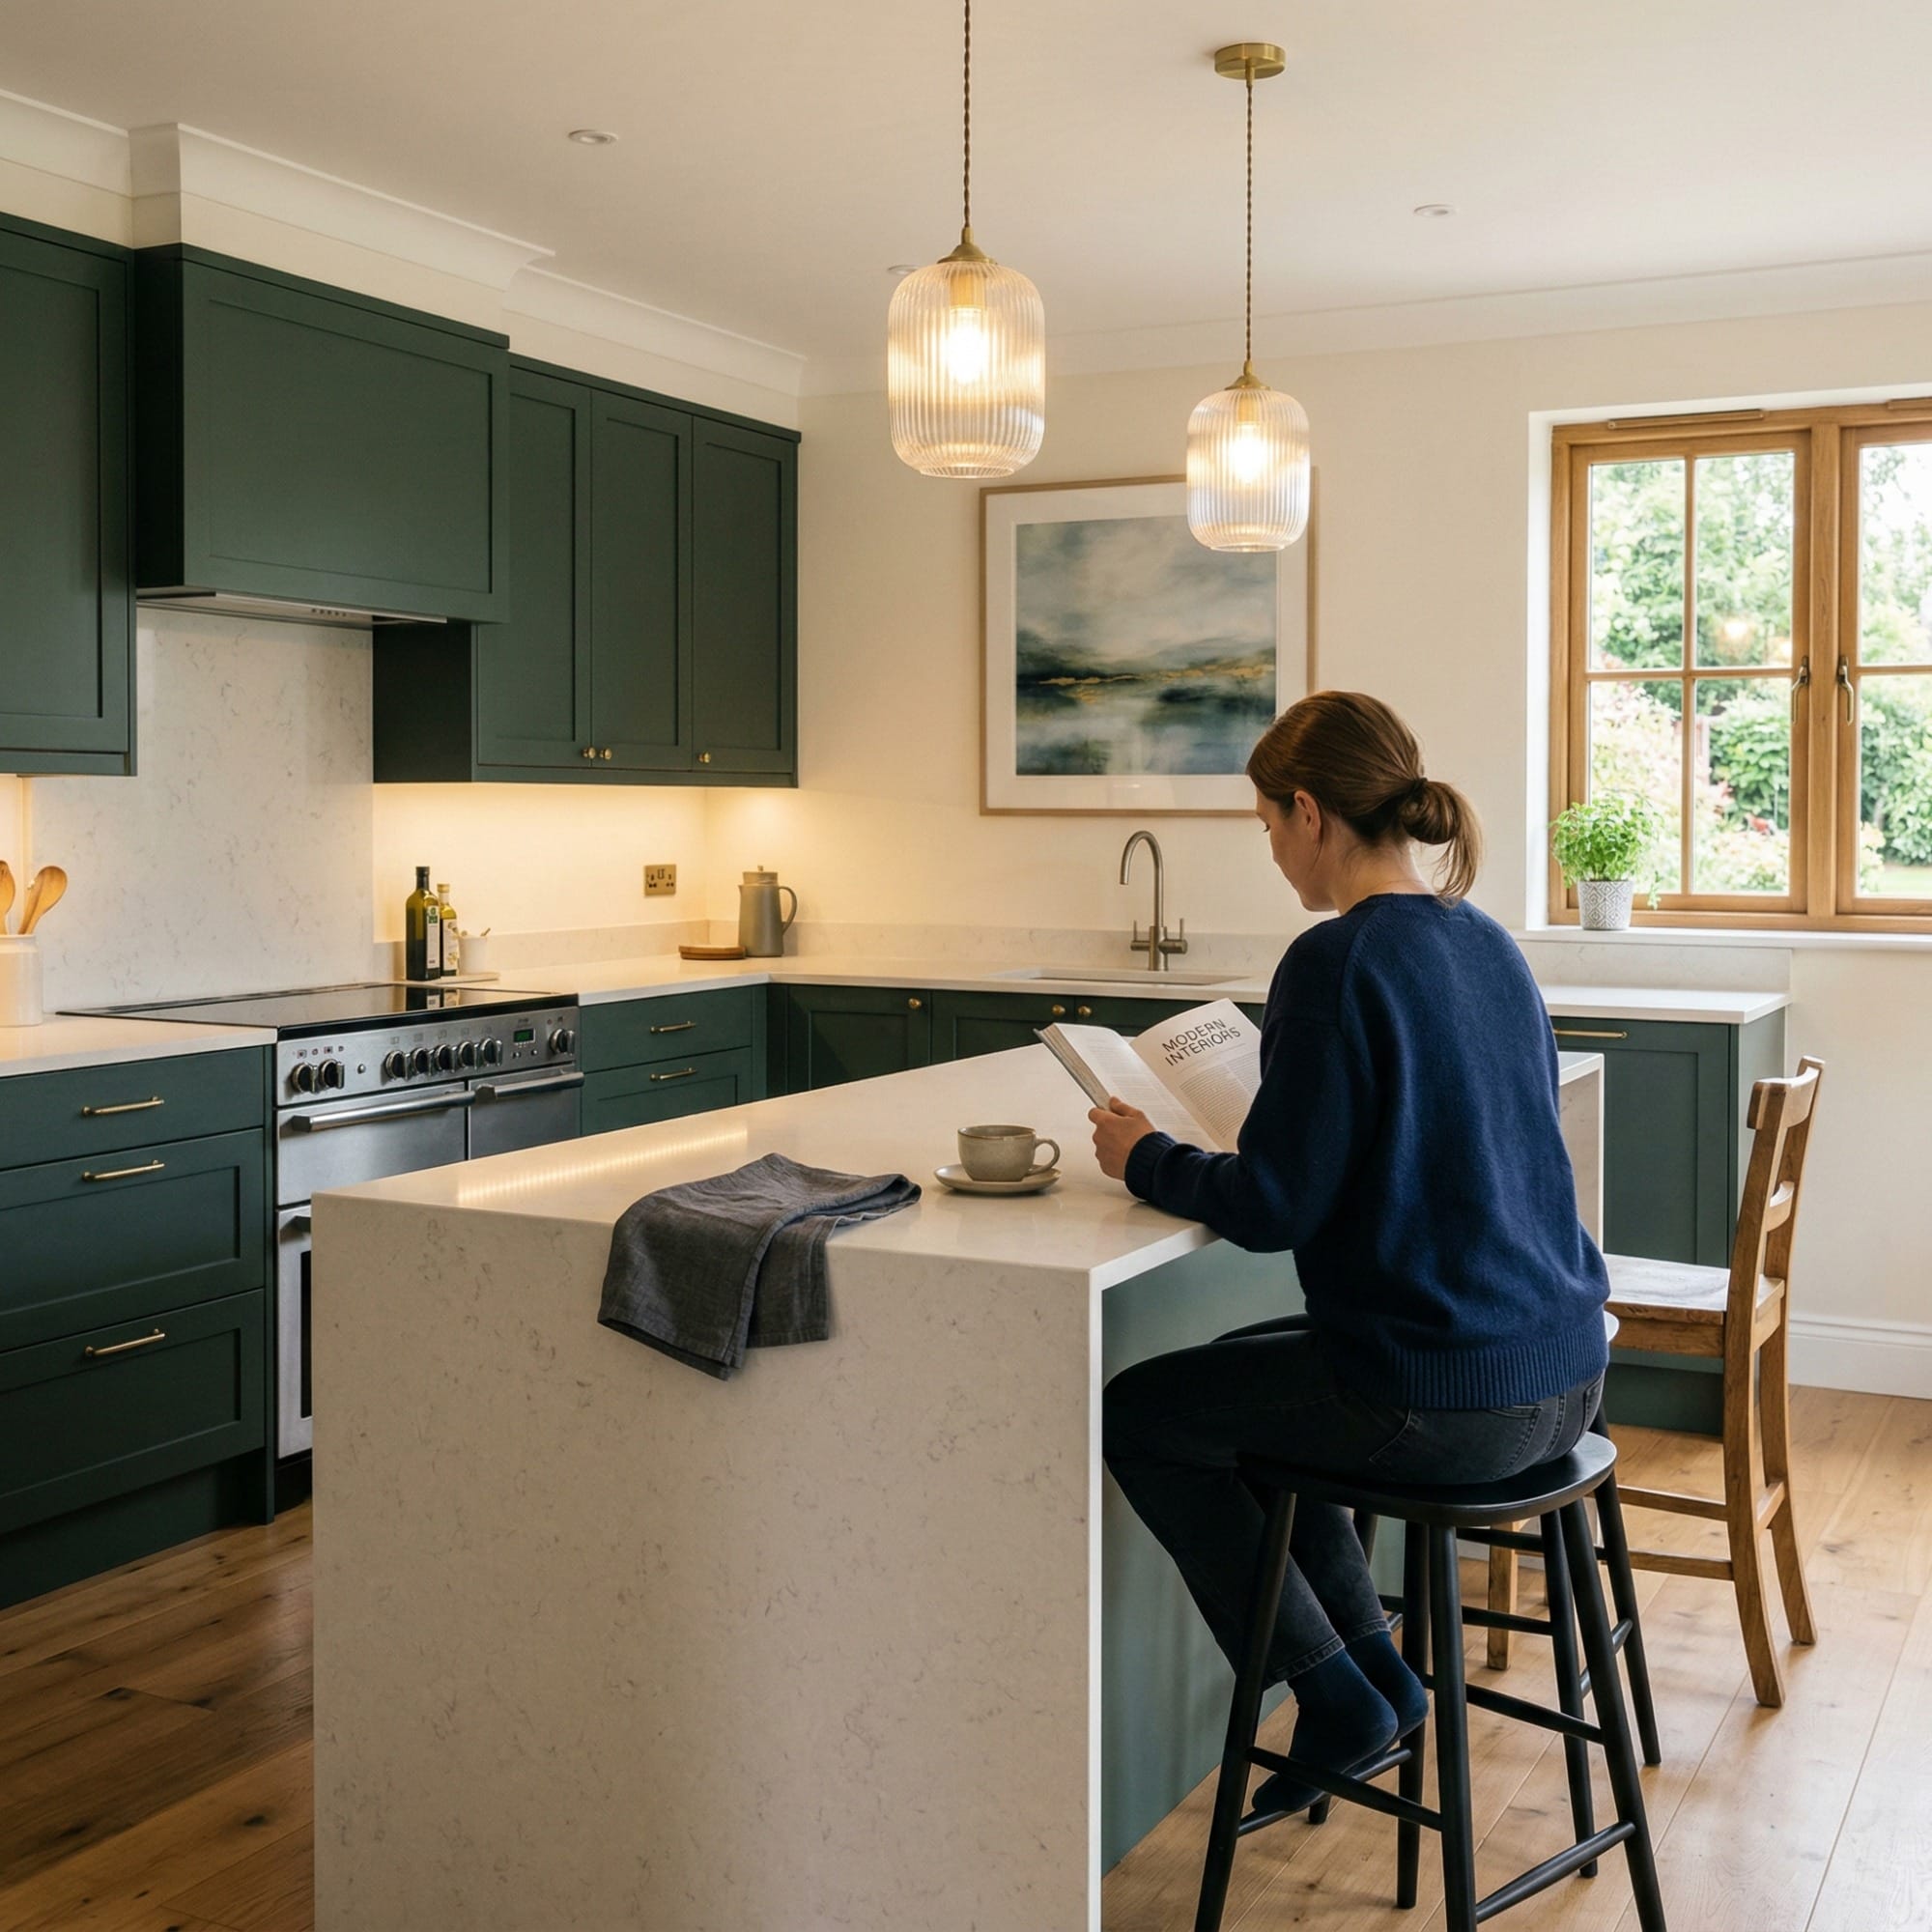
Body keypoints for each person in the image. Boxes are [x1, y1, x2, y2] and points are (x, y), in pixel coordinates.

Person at [1093, 690, 1608, 1817]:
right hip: (1563, 1375)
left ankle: (1339, 1696)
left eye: (1267, 822)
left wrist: (1144, 1157)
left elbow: (1274, 1203)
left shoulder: (1333, 960)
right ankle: (1375, 1681)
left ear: (1309, 811)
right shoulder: (1483, 940)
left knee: (1137, 1412)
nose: (1271, 849)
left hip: (1451, 1400)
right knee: (1265, 1382)